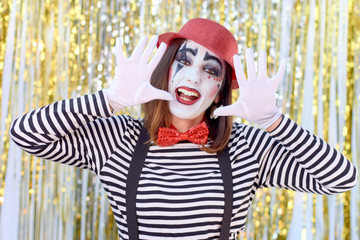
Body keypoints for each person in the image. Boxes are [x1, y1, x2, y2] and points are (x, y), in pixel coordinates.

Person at [9, 18, 357, 240]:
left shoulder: (247, 146)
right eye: (185, 61)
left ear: (219, 92)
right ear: (166, 68)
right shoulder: (116, 139)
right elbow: (25, 133)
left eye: (211, 70)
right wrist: (110, 99)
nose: (193, 76)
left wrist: (273, 121)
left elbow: (342, 179)